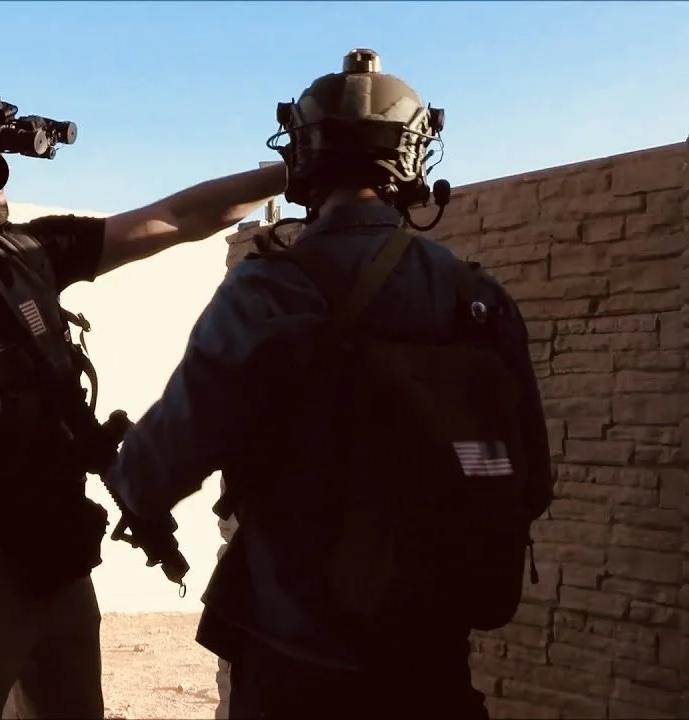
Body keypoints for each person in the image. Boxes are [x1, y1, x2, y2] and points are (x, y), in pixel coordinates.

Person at [105, 49, 555, 718]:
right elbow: (533, 480)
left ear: (304, 156)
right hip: (429, 656)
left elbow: (159, 465)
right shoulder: (475, 298)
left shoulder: (270, 286)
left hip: (298, 652)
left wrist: (129, 479)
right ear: (414, 158)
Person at [0, 78, 286, 720]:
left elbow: (178, 218)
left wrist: (292, 173)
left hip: (61, 562)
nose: (1, 179)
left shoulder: (31, 253)